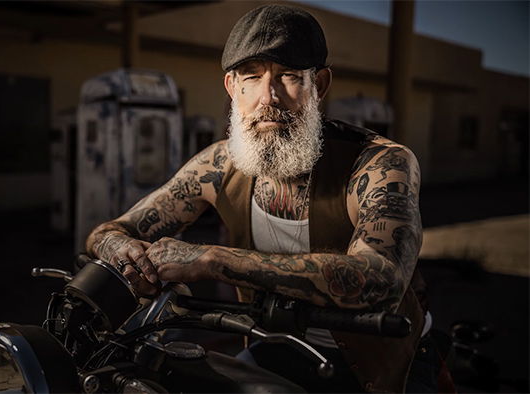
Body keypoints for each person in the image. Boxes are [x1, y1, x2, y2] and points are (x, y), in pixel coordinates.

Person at [86, 4, 443, 393]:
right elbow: (110, 231)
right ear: (232, 87)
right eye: (251, 77)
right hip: (276, 347)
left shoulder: (379, 162)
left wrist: (213, 260)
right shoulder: (218, 164)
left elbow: (381, 280)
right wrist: (125, 251)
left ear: (319, 85)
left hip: (383, 362)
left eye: (288, 76)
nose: (268, 96)